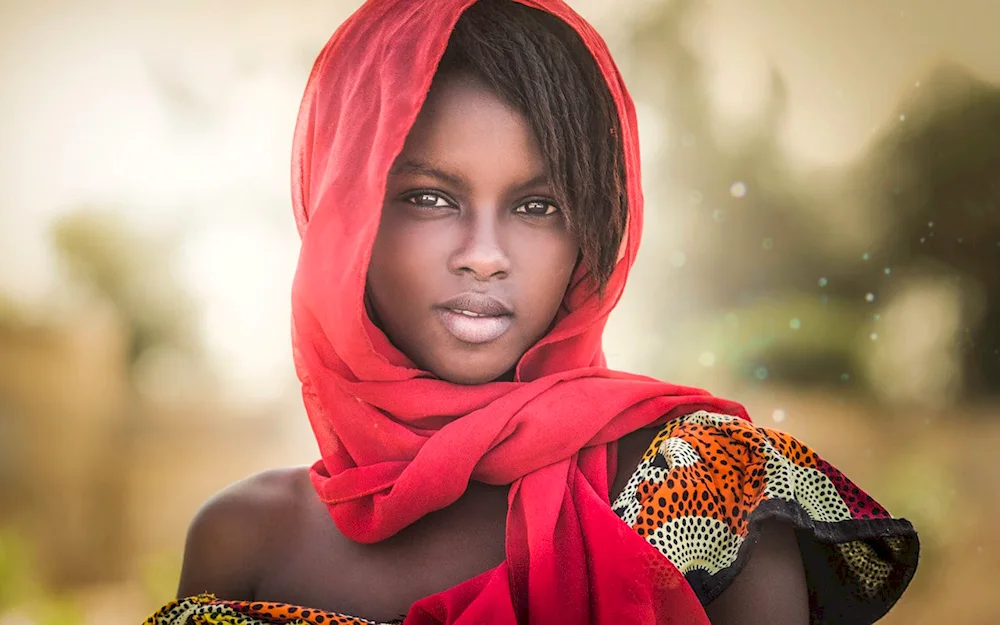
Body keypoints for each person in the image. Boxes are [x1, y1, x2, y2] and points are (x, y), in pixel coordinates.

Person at [146, 0, 918, 623]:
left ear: (592, 232)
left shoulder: (709, 488)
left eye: (539, 204)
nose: (485, 253)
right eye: (429, 197)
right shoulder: (243, 540)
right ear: (343, 216)